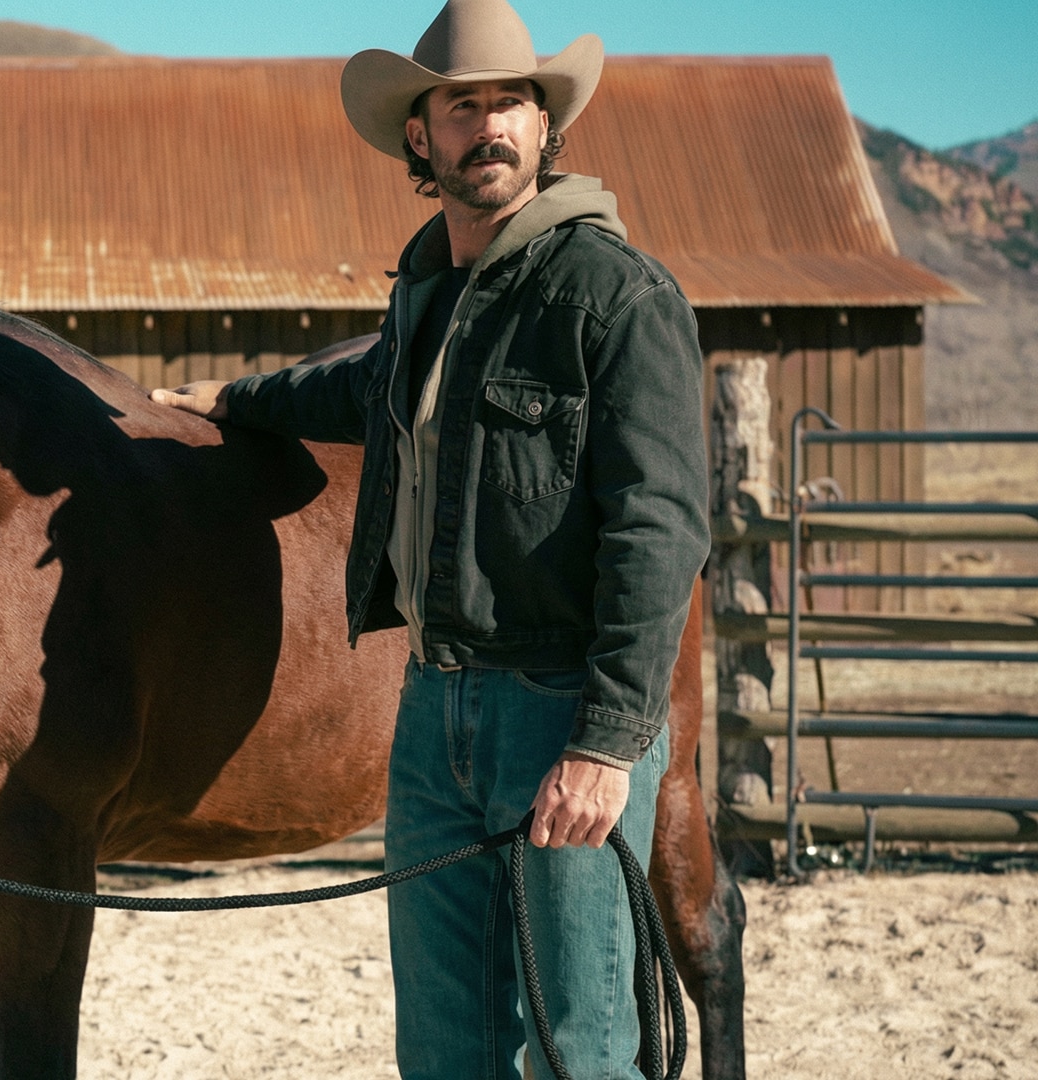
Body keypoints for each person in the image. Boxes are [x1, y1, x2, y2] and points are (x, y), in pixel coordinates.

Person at [149, 1, 709, 1076]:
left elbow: (660, 526)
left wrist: (605, 746)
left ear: (546, 129)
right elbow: (359, 386)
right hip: (434, 712)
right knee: (443, 1052)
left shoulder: (612, 295)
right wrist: (229, 398)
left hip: (562, 715)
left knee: (579, 1047)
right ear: (422, 135)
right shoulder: (431, 297)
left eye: (512, 103)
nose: (488, 125)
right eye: (463, 105)